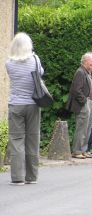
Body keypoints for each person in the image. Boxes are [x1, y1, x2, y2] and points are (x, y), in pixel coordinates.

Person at [6, 32, 43, 185]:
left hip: (16, 105)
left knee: (16, 140)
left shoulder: (9, 63)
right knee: (33, 139)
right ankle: (31, 177)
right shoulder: (35, 60)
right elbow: (40, 74)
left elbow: (13, 76)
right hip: (33, 104)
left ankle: (17, 178)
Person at [66, 52, 92, 159]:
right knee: (82, 127)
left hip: (89, 102)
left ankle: (83, 150)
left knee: (88, 127)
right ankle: (77, 151)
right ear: (85, 61)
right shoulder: (80, 72)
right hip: (83, 103)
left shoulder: (87, 72)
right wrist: (84, 101)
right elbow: (76, 90)